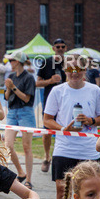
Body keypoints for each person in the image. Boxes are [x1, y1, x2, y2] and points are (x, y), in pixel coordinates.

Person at [42, 54, 100, 199]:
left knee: (92, 196)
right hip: (65, 149)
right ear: (65, 70)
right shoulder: (58, 91)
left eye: (78, 68)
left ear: (84, 70)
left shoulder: (94, 90)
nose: (74, 73)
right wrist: (64, 128)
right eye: (70, 69)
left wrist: (90, 120)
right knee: (62, 194)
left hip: (88, 151)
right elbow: (47, 119)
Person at [2, 50, 37, 187]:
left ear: (18, 62)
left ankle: (29, 179)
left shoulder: (29, 77)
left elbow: (26, 98)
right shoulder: (11, 76)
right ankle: (21, 172)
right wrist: (8, 88)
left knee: (27, 146)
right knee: (8, 145)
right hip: (12, 111)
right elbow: (6, 97)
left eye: (11, 60)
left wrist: (13, 87)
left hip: (25, 111)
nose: (10, 63)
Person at [36, 38, 68, 173]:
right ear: (53, 48)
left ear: (66, 48)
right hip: (50, 100)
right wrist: (50, 81)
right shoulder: (46, 62)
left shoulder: (69, 62)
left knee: (66, 129)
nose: (60, 49)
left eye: (62, 46)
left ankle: (63, 156)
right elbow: (37, 83)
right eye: (57, 47)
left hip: (66, 101)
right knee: (47, 130)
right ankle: (47, 156)